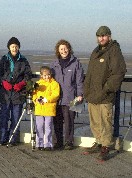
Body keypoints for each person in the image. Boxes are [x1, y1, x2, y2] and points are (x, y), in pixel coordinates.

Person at [83, 26, 126, 161]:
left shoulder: (114, 51)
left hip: (105, 95)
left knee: (105, 122)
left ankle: (106, 147)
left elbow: (118, 72)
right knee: (95, 122)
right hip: (92, 95)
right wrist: (86, 90)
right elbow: (89, 73)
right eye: (99, 36)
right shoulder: (96, 52)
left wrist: (106, 88)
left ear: (109, 36)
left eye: (104, 36)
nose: (101, 38)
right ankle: (99, 142)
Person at [0, 37, 33, 146]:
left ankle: (13, 139)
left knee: (16, 117)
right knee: (4, 117)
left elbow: (28, 75)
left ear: (19, 47)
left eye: (16, 46)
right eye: (12, 46)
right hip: (5, 93)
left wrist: (22, 84)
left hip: (18, 93)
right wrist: (3, 82)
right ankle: (3, 139)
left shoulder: (23, 60)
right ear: (9, 47)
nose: (14, 48)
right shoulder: (4, 59)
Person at [50, 39, 84, 150]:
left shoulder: (76, 63)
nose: (63, 51)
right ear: (58, 51)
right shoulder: (54, 64)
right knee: (57, 121)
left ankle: (69, 142)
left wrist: (80, 95)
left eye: (65, 48)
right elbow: (49, 81)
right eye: (61, 49)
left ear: (69, 49)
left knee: (69, 121)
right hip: (57, 98)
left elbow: (79, 81)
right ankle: (57, 142)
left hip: (71, 97)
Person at [32, 66, 60, 151]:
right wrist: (36, 99)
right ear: (41, 75)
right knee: (39, 127)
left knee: (48, 127)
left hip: (49, 109)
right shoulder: (38, 84)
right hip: (39, 109)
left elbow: (56, 95)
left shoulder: (54, 84)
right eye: (44, 75)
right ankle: (39, 144)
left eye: (48, 75)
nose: (46, 77)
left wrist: (47, 99)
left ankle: (48, 144)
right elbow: (34, 94)